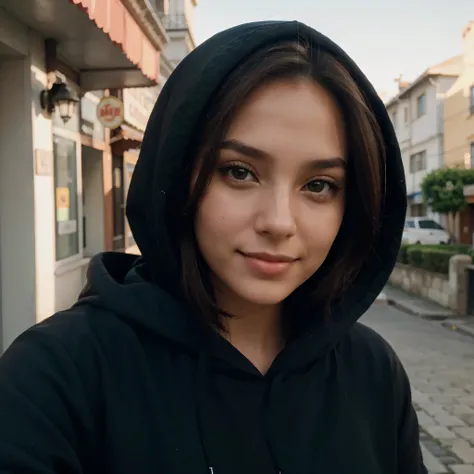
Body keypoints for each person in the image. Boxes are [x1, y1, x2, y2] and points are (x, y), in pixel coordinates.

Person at [0, 20, 426, 474]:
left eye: (319, 185)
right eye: (240, 172)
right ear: (178, 173)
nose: (279, 222)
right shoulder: (58, 374)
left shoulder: (372, 373)